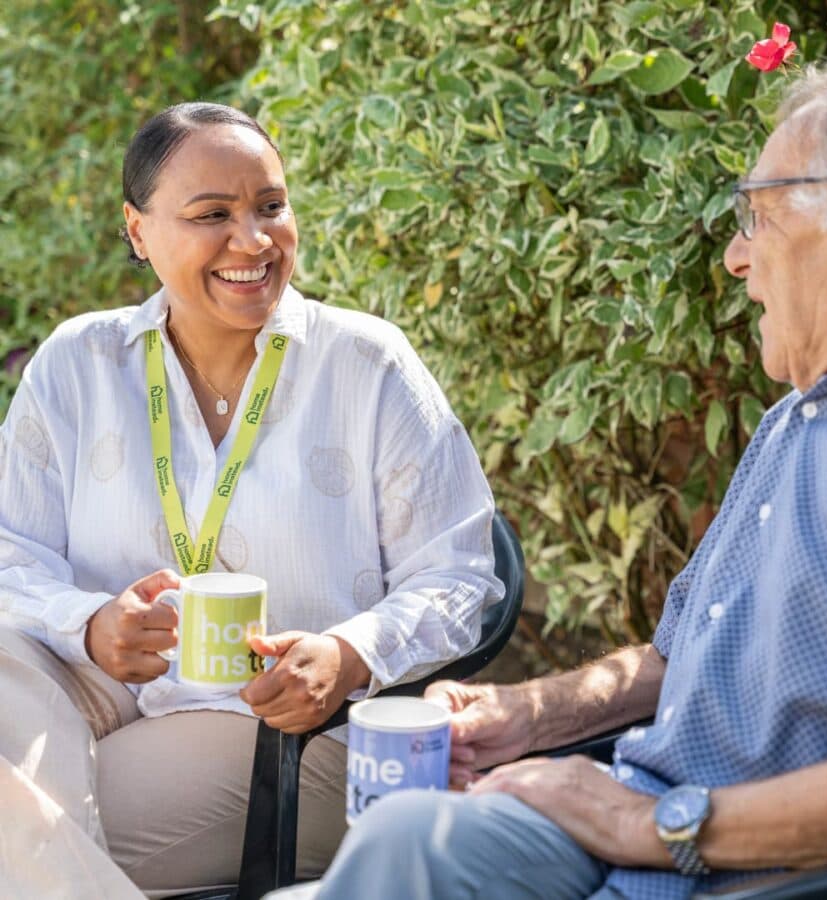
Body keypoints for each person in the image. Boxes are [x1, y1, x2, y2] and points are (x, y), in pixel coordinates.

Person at [287, 57, 827, 900]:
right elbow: (682, 657)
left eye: (758, 216)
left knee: (401, 844)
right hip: (632, 833)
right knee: (380, 853)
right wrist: (533, 713)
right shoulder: (801, 420)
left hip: (769, 876)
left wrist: (644, 826)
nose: (738, 257)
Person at [0, 102, 502, 897]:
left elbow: (462, 575)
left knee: (21, 839)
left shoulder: (366, 365)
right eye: (213, 215)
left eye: (271, 206)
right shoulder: (76, 363)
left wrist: (349, 654)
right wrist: (88, 626)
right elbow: (8, 556)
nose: (255, 240)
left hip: (271, 725)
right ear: (138, 231)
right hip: (87, 691)